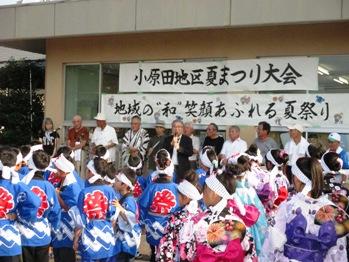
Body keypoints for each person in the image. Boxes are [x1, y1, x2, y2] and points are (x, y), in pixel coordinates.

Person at [262, 157, 348, 261]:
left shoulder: (288, 206)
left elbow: (273, 243)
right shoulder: (334, 210)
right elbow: (338, 251)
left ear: (297, 178)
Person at [190, 169, 259, 261]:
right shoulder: (238, 221)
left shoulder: (199, 222)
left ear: (213, 192)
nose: (203, 195)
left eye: (205, 190)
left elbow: (188, 254)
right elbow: (249, 253)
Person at [18, 150, 61, 262]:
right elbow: (55, 212)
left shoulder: (21, 183)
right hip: (43, 235)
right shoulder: (49, 186)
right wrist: (54, 231)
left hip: (22, 235)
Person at [138, 149, 180, 262]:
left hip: (153, 225)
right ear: (169, 163)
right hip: (170, 226)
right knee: (169, 253)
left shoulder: (151, 187)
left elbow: (142, 205)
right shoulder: (176, 188)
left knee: (154, 253)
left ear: (156, 163)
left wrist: (142, 222)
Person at [73, 157, 119, 261]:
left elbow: (80, 220)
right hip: (106, 234)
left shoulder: (84, 192)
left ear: (91, 172)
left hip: (89, 235)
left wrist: (76, 238)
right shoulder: (110, 191)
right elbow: (112, 216)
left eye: (87, 170)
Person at [0, 149, 41, 262]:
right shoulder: (17, 185)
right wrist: (21, 215)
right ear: (15, 165)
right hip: (9, 237)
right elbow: (35, 202)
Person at [157, 170, 202, 261]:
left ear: (185, 197)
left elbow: (166, 246)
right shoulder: (201, 215)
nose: (176, 197)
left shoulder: (176, 218)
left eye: (178, 195)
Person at [51, 154, 82, 262]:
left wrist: (57, 195)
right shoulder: (64, 181)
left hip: (68, 226)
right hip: (60, 224)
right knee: (58, 254)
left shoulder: (72, 186)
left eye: (58, 170)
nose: (56, 172)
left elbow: (71, 208)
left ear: (64, 171)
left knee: (66, 255)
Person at [112, 168, 141, 262]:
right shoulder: (123, 198)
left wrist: (120, 209)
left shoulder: (129, 201)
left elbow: (132, 219)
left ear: (124, 185)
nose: (114, 182)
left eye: (117, 181)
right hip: (122, 241)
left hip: (127, 242)